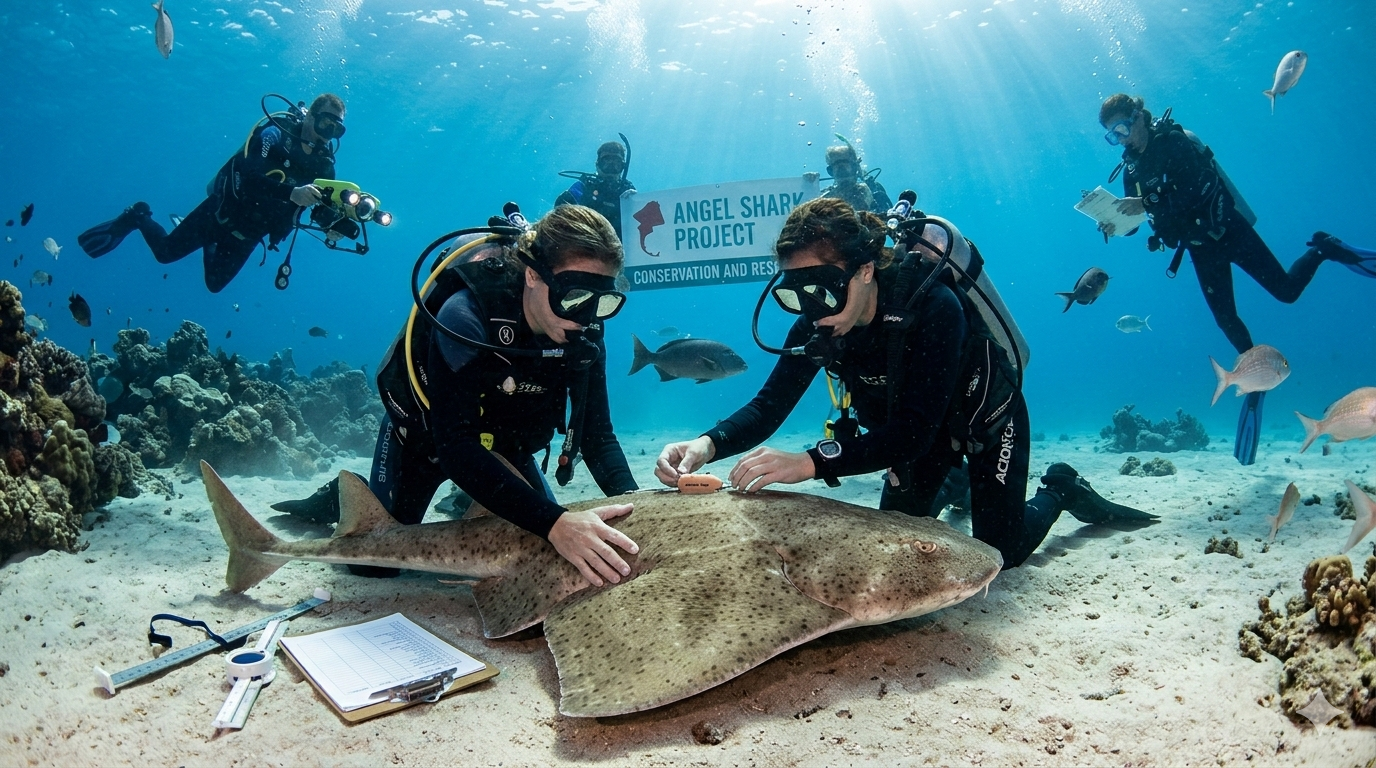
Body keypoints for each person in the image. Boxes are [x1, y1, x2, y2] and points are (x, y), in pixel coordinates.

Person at [655, 198, 1154, 569]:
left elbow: (912, 432)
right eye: (797, 295)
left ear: (866, 270)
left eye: (824, 291)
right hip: (915, 438)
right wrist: (705, 443)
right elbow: (769, 406)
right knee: (897, 543)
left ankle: (1061, 488)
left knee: (1001, 553)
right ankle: (954, 480)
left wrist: (807, 462)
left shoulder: (932, 305)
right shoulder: (815, 323)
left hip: (984, 419)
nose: (812, 311)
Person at [278, 205, 642, 587]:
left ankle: (468, 502)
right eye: (574, 297)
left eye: (602, 303)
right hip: (428, 440)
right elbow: (456, 447)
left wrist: (639, 502)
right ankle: (347, 498)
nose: (585, 317)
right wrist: (554, 522)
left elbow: (597, 437)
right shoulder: (466, 314)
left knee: (544, 552)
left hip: (505, 446)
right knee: (373, 565)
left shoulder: (583, 333)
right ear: (533, 274)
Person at [1097, 94, 1374, 462]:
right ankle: (1254, 382)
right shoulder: (1131, 169)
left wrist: (1145, 204)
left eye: (1121, 128)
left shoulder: (1174, 142)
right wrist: (1113, 223)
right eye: (1111, 136)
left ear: (1138, 117)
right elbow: (1134, 219)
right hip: (1199, 248)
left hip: (1229, 230)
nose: (1121, 138)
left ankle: (1323, 249)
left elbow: (1194, 187)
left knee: (1286, 292)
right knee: (1226, 320)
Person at [78, 93, 346, 292]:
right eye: (326, 125)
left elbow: (320, 207)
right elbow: (250, 176)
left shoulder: (324, 165)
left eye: (337, 130)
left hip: (251, 234)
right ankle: (138, 216)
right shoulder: (276, 133)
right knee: (164, 254)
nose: (328, 135)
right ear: (310, 115)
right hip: (220, 213)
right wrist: (292, 193)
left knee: (214, 285)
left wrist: (330, 226)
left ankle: (211, 244)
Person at [555, 139, 635, 239]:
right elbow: (559, 216)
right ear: (597, 165)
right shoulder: (583, 187)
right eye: (606, 162)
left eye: (616, 163)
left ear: (623, 167)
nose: (611, 167)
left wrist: (635, 203)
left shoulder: (628, 192)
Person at [811, 140, 893, 214]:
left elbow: (887, 218)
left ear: (855, 167)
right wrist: (807, 186)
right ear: (830, 171)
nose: (841, 168)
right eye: (836, 164)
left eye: (845, 163)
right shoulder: (826, 195)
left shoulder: (873, 188)